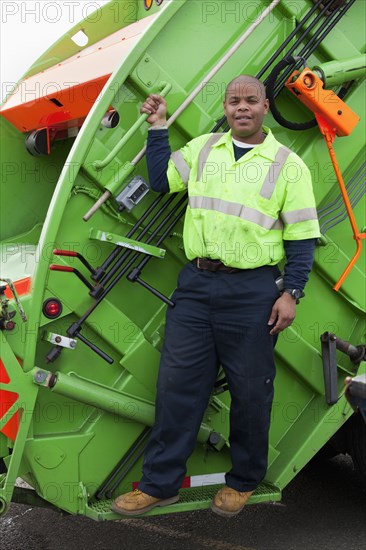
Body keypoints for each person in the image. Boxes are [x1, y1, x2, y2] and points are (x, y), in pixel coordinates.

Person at [112, 75, 321, 517]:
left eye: (250, 100)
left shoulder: (289, 165)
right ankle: (159, 485)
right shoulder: (204, 149)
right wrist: (158, 126)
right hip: (196, 286)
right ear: (225, 108)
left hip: (253, 291)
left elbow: (302, 239)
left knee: (251, 392)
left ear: (266, 106)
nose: (241, 107)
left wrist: (293, 293)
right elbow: (159, 180)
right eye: (233, 101)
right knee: (176, 388)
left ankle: (243, 481)